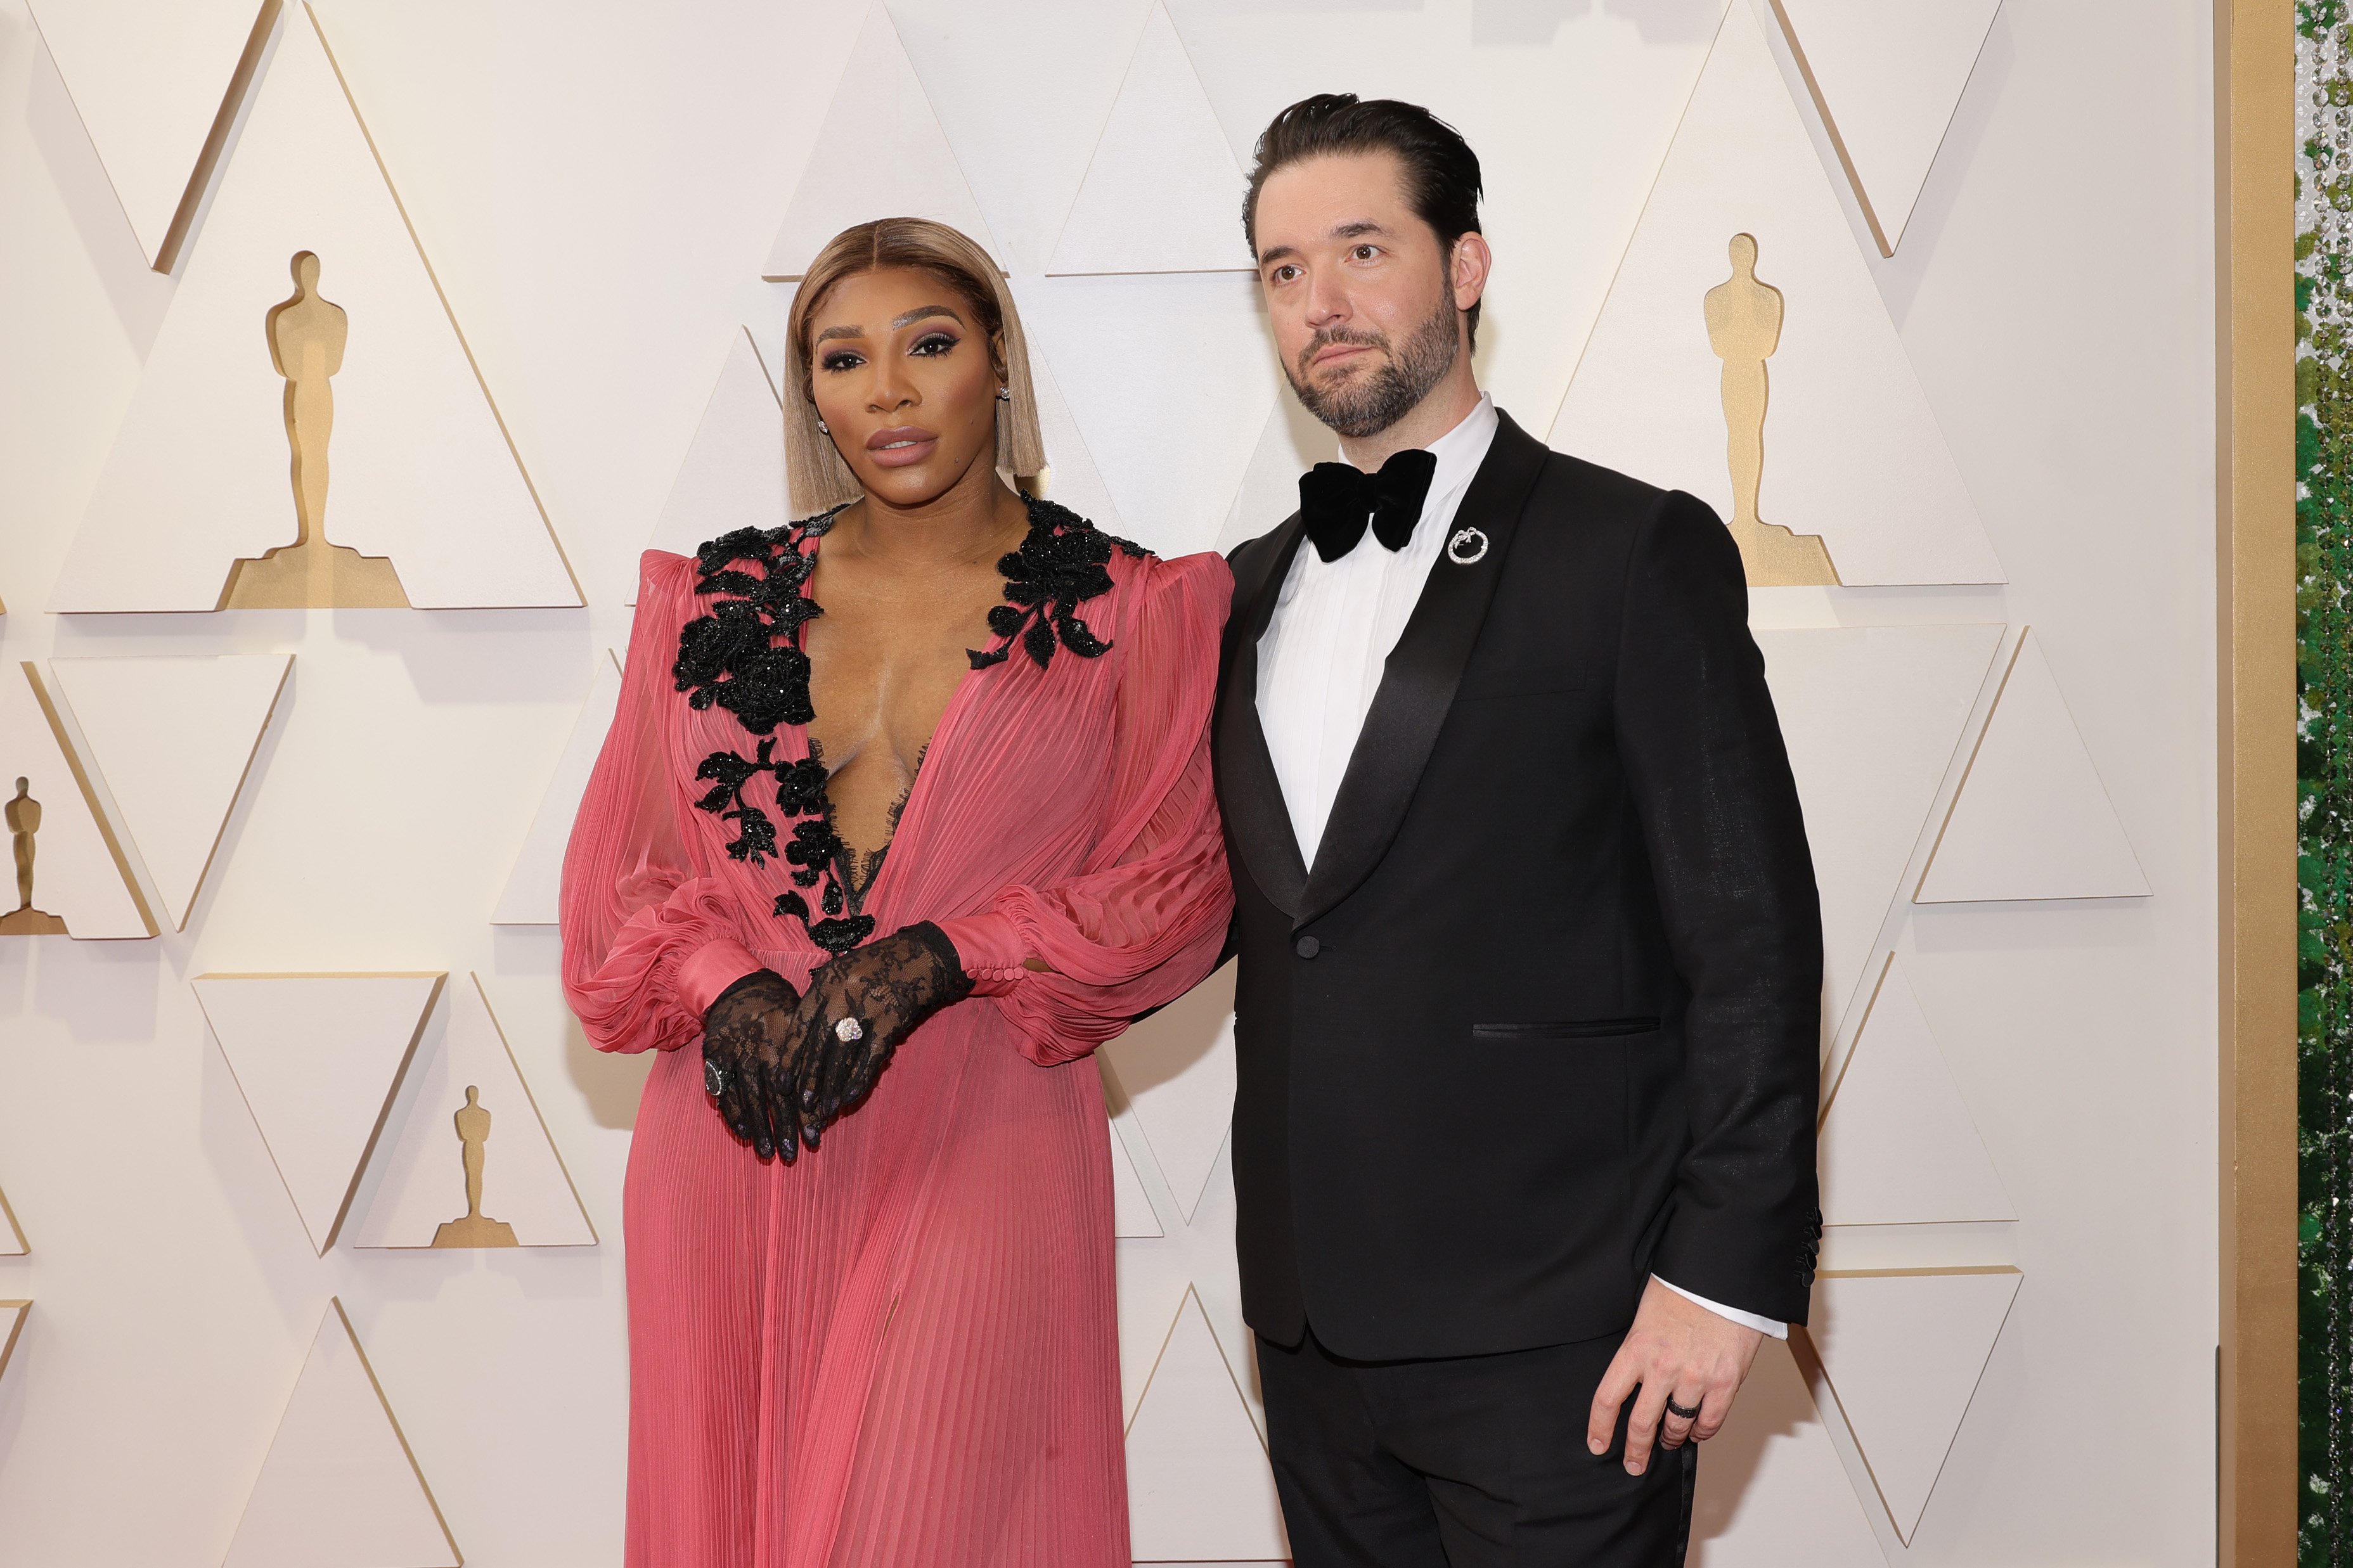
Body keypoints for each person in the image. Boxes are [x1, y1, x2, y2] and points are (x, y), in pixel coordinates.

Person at [560, 216, 1233, 1567]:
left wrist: (947, 953)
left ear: (998, 361)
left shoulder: (1132, 609)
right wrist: (719, 981)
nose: (887, 392)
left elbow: (1178, 887)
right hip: (733, 1127)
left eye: (929, 344)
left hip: (980, 1122)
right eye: (840, 358)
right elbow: (618, 889)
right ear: (807, 390)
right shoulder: (705, 601)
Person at [1215, 96, 1823, 1565]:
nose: (1323, 303)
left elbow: (1747, 938)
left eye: (1364, 249)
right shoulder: (1234, 590)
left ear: (1467, 266)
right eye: (1284, 270)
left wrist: (1721, 1279)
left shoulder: (1630, 549)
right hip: (1308, 1340)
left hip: (1570, 1332)